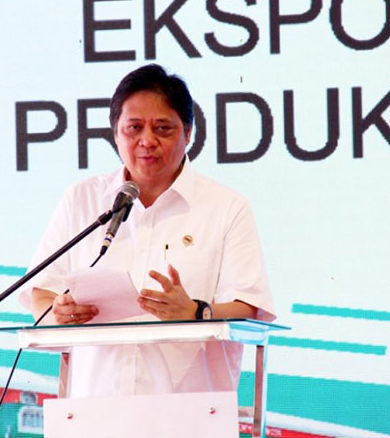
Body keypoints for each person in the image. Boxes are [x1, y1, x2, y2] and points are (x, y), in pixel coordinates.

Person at [19, 64, 275, 398]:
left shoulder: (226, 206)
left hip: (190, 410)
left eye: (163, 129)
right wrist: (58, 312)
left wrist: (195, 312)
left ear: (188, 133)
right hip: (95, 405)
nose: (147, 141)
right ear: (115, 133)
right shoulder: (82, 199)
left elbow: (247, 306)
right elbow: (41, 292)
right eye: (134, 128)